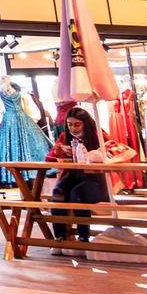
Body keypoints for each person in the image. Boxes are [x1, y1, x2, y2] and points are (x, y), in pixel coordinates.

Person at [45, 105, 111, 248]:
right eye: (69, 125)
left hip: (95, 181)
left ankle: (83, 237)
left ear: (85, 123)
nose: (73, 128)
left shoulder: (99, 135)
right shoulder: (64, 137)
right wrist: (59, 152)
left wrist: (92, 155)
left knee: (78, 194)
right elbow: (49, 159)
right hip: (71, 177)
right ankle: (61, 237)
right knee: (58, 193)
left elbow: (112, 152)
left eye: (77, 124)